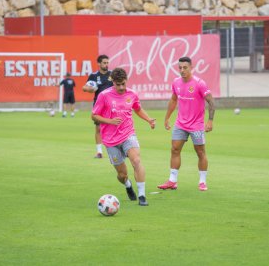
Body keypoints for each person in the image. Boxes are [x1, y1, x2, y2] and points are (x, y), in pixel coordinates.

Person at [91, 67, 156, 206]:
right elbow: (94, 115)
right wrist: (110, 121)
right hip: (110, 140)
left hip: (128, 134)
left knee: (136, 161)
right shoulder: (104, 95)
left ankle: (142, 196)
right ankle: (127, 184)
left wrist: (149, 119)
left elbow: (137, 108)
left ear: (126, 81)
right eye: (118, 84)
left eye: (123, 84)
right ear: (112, 82)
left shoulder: (132, 94)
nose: (121, 87)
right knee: (122, 174)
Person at [157, 57, 215, 191]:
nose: (182, 70)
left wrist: (210, 120)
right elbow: (173, 100)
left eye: (185, 68)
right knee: (175, 149)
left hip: (196, 125)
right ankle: (172, 181)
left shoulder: (200, 83)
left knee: (200, 152)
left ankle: (202, 181)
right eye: (180, 68)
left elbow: (211, 102)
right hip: (180, 124)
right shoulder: (176, 82)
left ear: (191, 68)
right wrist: (167, 118)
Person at [83, 55, 113, 159]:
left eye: (107, 62)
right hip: (99, 105)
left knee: (115, 126)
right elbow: (84, 87)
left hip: (112, 104)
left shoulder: (112, 74)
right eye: (104, 63)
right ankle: (99, 152)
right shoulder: (94, 76)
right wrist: (89, 89)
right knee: (98, 128)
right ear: (99, 64)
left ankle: (118, 149)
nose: (106, 65)